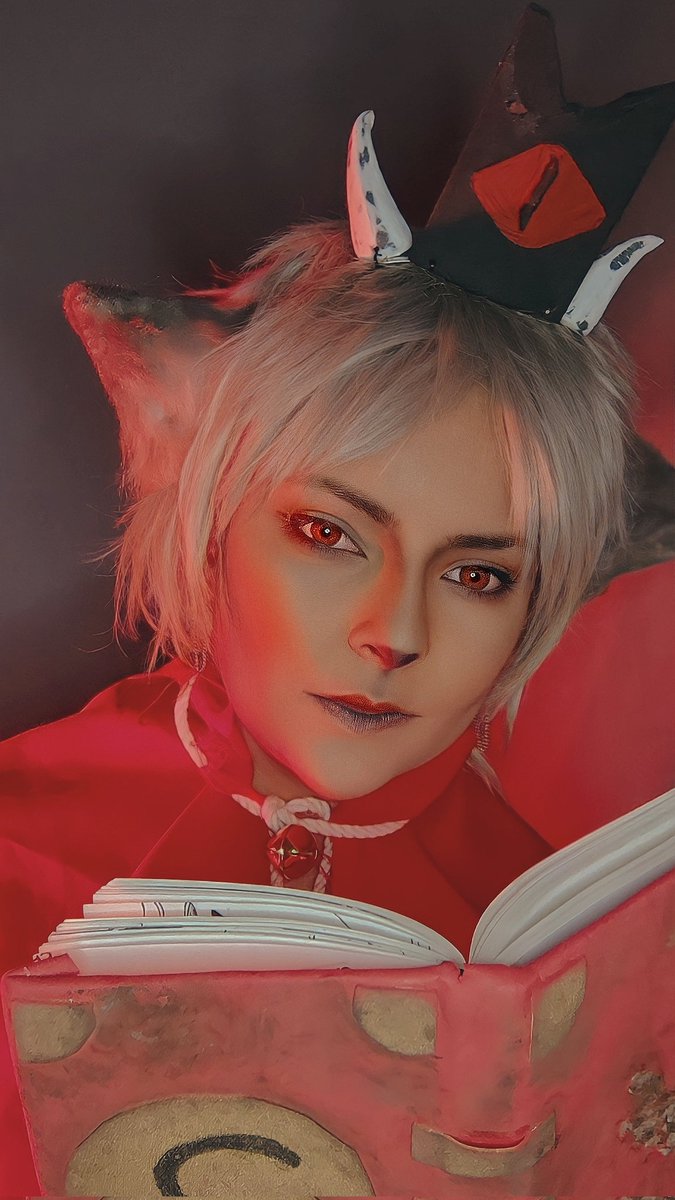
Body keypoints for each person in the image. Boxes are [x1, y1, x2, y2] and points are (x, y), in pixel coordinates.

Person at [1, 7, 673, 1192]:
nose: (395, 635)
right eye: (328, 533)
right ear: (214, 512)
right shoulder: (18, 829)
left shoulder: (552, 940)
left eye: (479, 574)